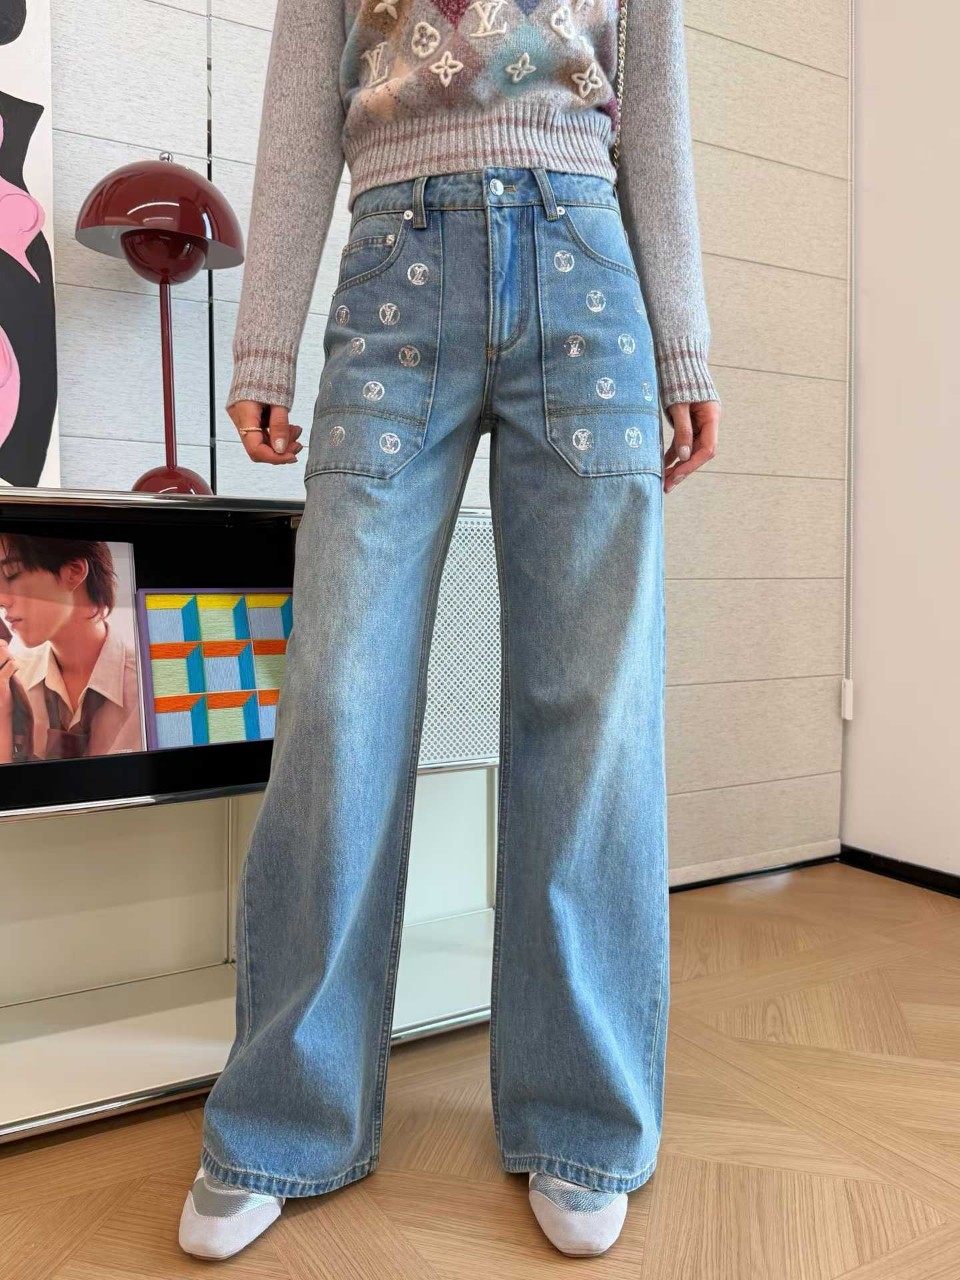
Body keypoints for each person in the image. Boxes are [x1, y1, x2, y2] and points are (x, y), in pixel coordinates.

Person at [180, 0, 722, 1262]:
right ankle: (285, 1115)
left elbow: (654, 101)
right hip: (393, 270)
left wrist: (684, 341)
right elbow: (302, 97)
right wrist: (265, 336)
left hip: (585, 264)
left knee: (590, 706)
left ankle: (580, 1113)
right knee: (340, 696)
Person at [0, 536, 142, 764]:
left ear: (73, 572)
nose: (2, 599)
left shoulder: (149, 686)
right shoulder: (10, 681)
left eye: (12, 573)